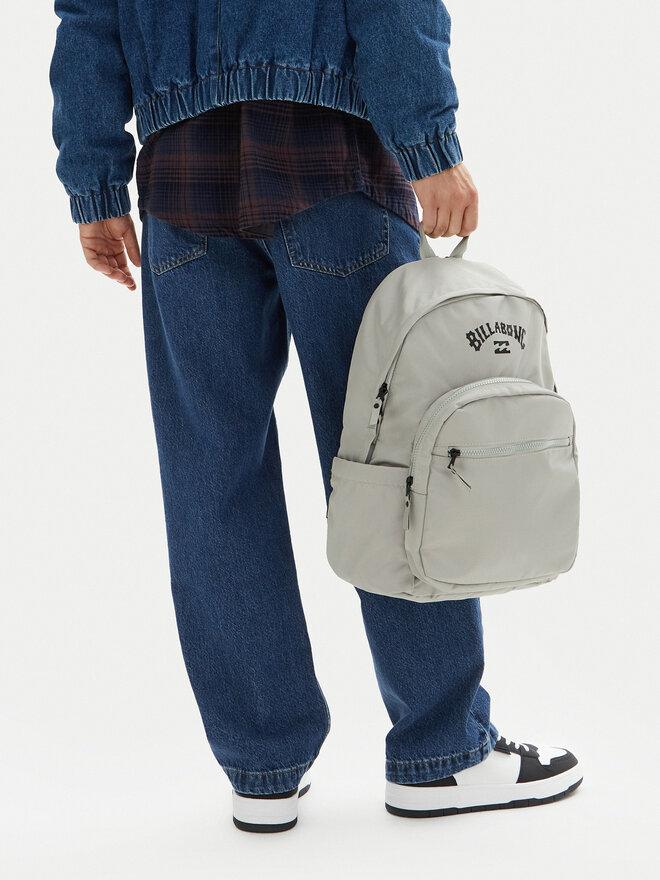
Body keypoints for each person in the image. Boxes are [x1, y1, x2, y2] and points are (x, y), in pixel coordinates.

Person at [50, 1, 581, 832]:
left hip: (182, 177)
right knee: (397, 466)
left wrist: (92, 182)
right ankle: (441, 752)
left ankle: (261, 768)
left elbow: (87, 14)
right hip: (328, 159)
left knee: (210, 477)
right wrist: (429, 142)